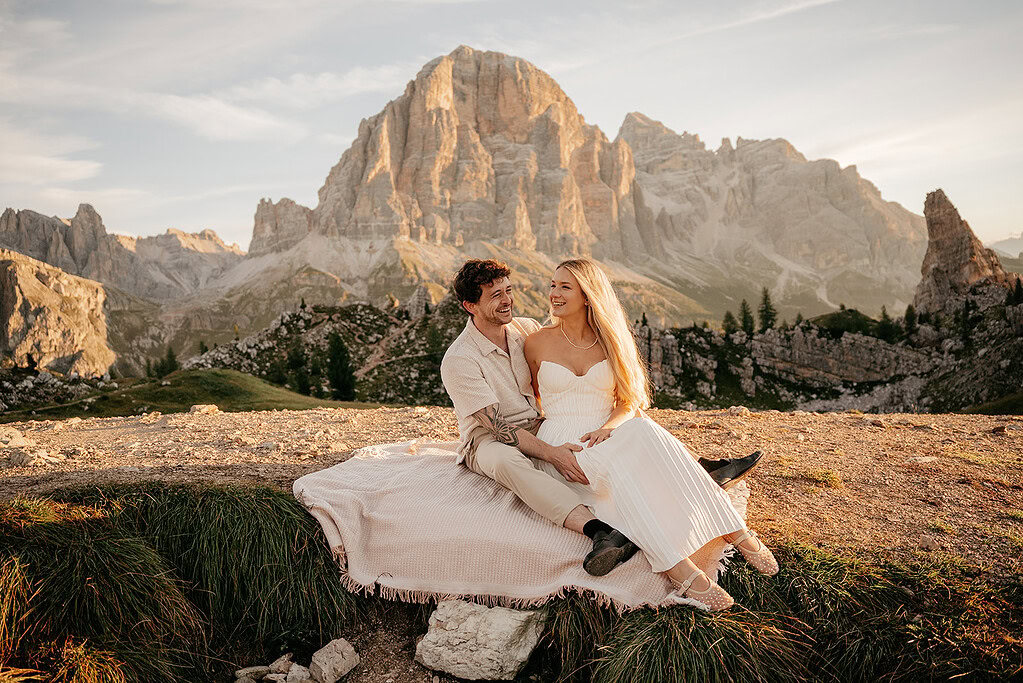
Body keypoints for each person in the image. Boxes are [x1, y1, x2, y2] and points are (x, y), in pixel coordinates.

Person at [439, 259, 767, 608]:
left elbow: (555, 387)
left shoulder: (523, 329)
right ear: (470, 306)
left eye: (508, 291)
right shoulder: (460, 359)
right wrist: (553, 452)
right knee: (505, 461)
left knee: (634, 425)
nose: (507, 301)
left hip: (537, 424)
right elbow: (496, 425)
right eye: (495, 296)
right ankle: (598, 530)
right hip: (487, 437)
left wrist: (591, 423)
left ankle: (697, 475)